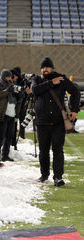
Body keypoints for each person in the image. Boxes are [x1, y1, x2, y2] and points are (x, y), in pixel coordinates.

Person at [32, 57, 80, 186]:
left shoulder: (61, 78)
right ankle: (44, 175)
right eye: (43, 67)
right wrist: (52, 82)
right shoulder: (36, 79)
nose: (44, 69)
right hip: (41, 122)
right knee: (43, 151)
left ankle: (58, 177)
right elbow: (35, 90)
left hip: (58, 122)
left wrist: (75, 110)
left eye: (47, 67)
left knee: (58, 150)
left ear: (52, 68)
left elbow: (75, 91)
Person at [0, 69, 24, 162]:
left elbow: (16, 99)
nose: (10, 78)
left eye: (10, 77)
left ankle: (5, 155)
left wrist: (21, 95)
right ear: (3, 77)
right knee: (0, 137)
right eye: (8, 77)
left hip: (11, 114)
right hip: (1, 114)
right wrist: (7, 91)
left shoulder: (11, 85)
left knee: (9, 136)